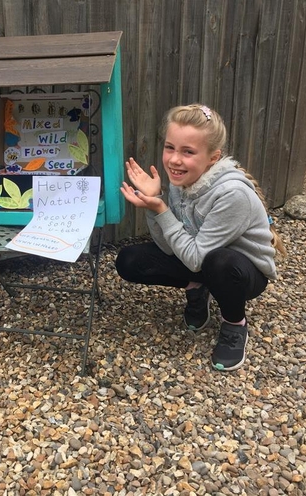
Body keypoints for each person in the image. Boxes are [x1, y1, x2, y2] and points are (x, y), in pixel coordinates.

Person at [115, 104, 286, 371]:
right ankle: (197, 289)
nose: (174, 160)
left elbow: (196, 259)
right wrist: (156, 202)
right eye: (170, 147)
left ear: (213, 158)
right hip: (199, 258)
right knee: (128, 260)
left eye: (188, 152)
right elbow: (169, 248)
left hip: (243, 272)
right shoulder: (179, 182)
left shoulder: (232, 194)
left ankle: (234, 325)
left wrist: (161, 209)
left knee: (219, 262)